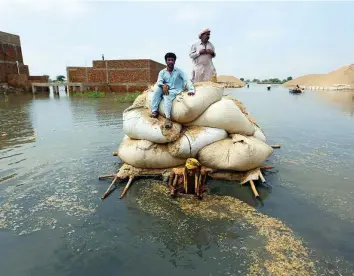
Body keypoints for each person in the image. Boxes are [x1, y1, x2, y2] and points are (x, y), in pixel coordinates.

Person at [150, 52, 195, 128]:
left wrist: (191, 89)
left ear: (174, 61)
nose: (170, 62)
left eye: (172, 60)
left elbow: (186, 79)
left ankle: (168, 119)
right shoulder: (162, 72)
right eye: (169, 60)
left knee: (167, 96)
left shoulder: (179, 71)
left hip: (175, 90)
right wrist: (163, 85)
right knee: (157, 90)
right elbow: (159, 82)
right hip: (165, 87)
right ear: (166, 61)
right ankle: (154, 111)